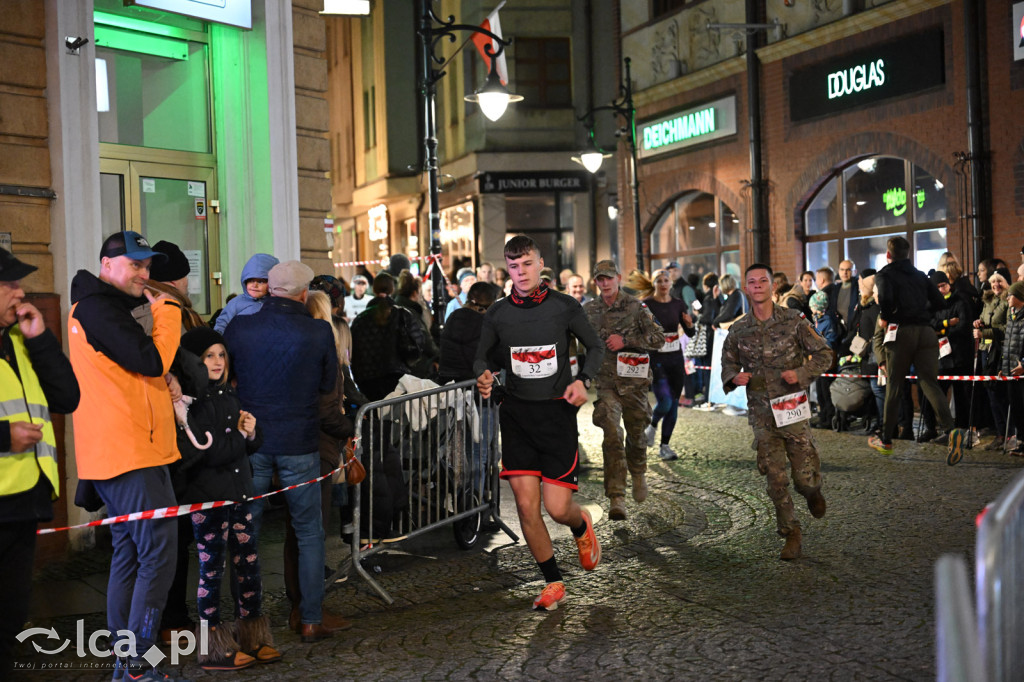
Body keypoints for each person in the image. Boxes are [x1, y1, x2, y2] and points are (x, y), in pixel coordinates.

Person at [69, 231, 184, 681]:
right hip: (128, 451)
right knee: (156, 554)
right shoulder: (98, 307)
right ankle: (137, 665)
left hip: (129, 449)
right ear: (106, 265)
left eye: (147, 266)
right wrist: (169, 313)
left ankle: (130, 663)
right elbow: (150, 360)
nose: (144, 274)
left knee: (132, 554)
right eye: (134, 265)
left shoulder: (105, 307)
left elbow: (137, 369)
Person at [475, 235, 604, 611]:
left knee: (557, 508)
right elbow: (481, 358)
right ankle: (552, 582)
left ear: (540, 263)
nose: (521, 272)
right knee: (527, 508)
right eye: (513, 266)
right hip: (515, 415)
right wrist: (484, 375)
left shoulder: (564, 307)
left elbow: (594, 347)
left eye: (527, 264)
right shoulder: (498, 313)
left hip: (555, 414)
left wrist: (583, 381)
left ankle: (580, 525)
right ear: (507, 269)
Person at [223, 260, 345, 643]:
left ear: (269, 290)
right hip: (300, 442)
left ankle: (249, 622)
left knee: (246, 533)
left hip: (252, 442)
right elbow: (328, 384)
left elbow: (229, 379)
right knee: (309, 532)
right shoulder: (318, 332)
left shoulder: (240, 328)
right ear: (303, 293)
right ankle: (310, 619)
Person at [174, 327, 279, 670]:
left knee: (249, 566)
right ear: (194, 362)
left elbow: (247, 443)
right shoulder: (192, 403)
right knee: (212, 571)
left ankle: (253, 633)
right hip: (209, 501)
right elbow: (209, 452)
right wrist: (240, 438)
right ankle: (214, 646)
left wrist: (250, 433)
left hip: (238, 495)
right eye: (208, 356)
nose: (217, 362)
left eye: (221, 355)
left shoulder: (227, 394)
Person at [0, 249, 80, 679]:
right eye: (9, 285)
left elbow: (67, 398)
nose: (20, 292)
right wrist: (3, 436)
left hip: (24, 500)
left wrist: (41, 339)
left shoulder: (20, 340)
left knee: (10, 616)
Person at [721, 263, 832, 560]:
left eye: (763, 281)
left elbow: (824, 354)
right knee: (775, 477)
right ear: (746, 288)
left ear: (772, 286)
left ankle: (813, 491)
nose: (757, 286)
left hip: (792, 408)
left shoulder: (794, 320)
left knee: (804, 478)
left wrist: (802, 373)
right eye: (752, 282)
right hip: (761, 414)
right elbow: (728, 364)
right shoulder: (738, 329)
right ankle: (791, 532)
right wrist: (734, 377)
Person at [868, 236, 965, 464]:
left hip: (901, 332)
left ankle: (886, 439)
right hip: (927, 332)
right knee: (929, 383)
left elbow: (886, 298)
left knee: (894, 385)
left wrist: (887, 317)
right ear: (908, 253)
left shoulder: (885, 274)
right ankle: (952, 431)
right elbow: (940, 303)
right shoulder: (921, 276)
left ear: (888, 254)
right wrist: (920, 311)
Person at [584, 260, 665, 520]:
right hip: (607, 384)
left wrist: (626, 341)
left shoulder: (636, 307)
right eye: (600, 279)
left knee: (636, 435)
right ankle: (616, 497)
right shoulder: (589, 311)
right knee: (611, 433)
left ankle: (638, 471)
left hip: (634, 385)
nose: (604, 283)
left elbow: (658, 339)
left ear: (618, 277)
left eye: (608, 278)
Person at [642, 269, 695, 461]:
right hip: (656, 358)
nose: (663, 284)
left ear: (671, 283)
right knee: (665, 401)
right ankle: (652, 425)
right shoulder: (646, 305)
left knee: (673, 405)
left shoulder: (678, 304)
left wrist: (689, 325)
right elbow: (640, 331)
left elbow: (691, 334)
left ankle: (665, 446)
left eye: (666, 280)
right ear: (653, 283)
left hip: (675, 359)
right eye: (659, 281)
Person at [350, 272, 429, 400]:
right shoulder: (402, 314)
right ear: (393, 289)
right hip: (396, 377)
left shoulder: (360, 319)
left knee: (376, 416)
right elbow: (418, 342)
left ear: (374, 289)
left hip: (366, 380)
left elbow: (353, 349)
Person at [917, 270, 973, 442]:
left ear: (948, 284)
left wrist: (941, 331)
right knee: (935, 393)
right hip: (941, 356)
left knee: (961, 395)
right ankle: (935, 427)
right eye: (938, 287)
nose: (941, 290)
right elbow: (929, 323)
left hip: (960, 355)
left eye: (943, 286)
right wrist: (947, 324)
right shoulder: (931, 304)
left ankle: (961, 429)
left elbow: (963, 326)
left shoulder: (960, 301)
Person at [975, 267, 1011, 450]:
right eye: (993, 281)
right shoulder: (988, 300)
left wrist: (984, 332)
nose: (996, 284)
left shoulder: (1009, 301)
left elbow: (1008, 328)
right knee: (991, 393)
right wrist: (978, 323)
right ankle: (999, 432)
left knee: (1000, 394)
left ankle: (1007, 433)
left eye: (1000, 281)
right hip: (985, 350)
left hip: (999, 351)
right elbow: (985, 321)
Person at [213, 253, 279, 333]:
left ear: (271, 283)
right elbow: (222, 324)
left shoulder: (275, 303)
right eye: (251, 281)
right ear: (245, 281)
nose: (255, 285)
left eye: (260, 281)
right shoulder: (236, 303)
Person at [148, 241, 205, 330]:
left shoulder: (143, 301)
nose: (187, 281)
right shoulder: (172, 310)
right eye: (185, 276)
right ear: (174, 281)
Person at [1000, 281, 1024, 455]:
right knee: (1016, 408)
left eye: (1011, 294)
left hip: (1022, 372)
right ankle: (1022, 442)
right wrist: (1005, 366)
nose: (1007, 297)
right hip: (1011, 371)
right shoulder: (1012, 315)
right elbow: (1008, 345)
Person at [829, 260, 859, 327]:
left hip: (854, 327)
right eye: (842, 269)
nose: (845, 272)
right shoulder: (836, 288)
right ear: (839, 271)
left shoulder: (858, 287)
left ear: (855, 271)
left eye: (848, 270)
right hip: (840, 328)